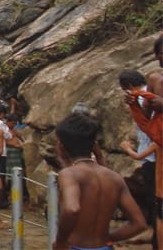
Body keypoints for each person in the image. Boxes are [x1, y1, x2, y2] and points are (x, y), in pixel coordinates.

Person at [53, 112, 146, 250]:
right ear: (94, 145)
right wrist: (109, 237)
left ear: (60, 145)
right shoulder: (114, 178)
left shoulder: (69, 175)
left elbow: (71, 209)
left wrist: (60, 241)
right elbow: (139, 223)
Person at [122, 68, 163, 250]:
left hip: (153, 161)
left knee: (156, 206)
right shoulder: (151, 108)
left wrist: (129, 150)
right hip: (156, 162)